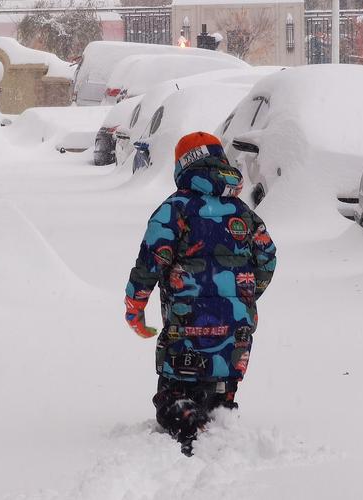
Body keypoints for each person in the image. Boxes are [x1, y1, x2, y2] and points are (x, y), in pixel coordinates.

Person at [124, 131, 276, 455]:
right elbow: (267, 256)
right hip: (234, 331)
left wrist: (134, 308)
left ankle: (183, 413)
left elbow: (150, 261)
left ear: (182, 167)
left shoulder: (173, 210)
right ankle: (221, 411)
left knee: (173, 394)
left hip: (186, 327)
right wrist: (243, 296)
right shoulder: (243, 213)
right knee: (221, 384)